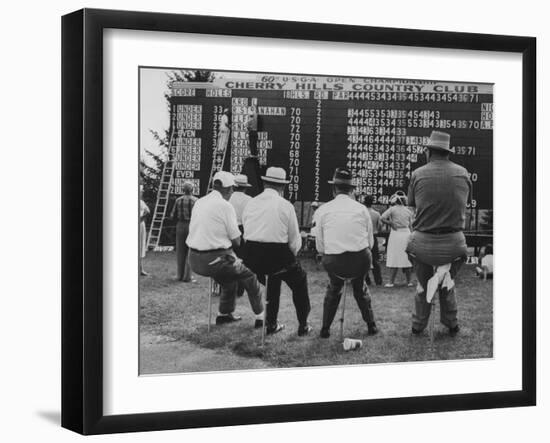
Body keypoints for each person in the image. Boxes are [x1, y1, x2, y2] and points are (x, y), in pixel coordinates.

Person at [406, 130, 472, 336]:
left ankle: (418, 325)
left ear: (429, 152)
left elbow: (412, 205)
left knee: (424, 285)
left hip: (422, 244)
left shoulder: (418, 174)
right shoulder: (463, 173)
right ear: (448, 153)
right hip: (454, 244)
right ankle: (452, 323)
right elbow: (465, 204)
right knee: (446, 283)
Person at [186, 171, 264, 327]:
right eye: (232, 189)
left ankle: (224, 314)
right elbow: (236, 241)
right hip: (215, 260)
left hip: (193, 259)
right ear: (228, 189)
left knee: (229, 280)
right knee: (250, 275)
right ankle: (261, 316)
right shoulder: (225, 205)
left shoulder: (200, 202)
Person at [242, 167, 312, 336]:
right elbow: (295, 241)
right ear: (282, 187)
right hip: (277, 256)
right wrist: (290, 258)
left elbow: (246, 232)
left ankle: (271, 324)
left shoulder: (250, 203)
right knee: (299, 280)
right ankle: (303, 325)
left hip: (252, 258)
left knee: (273, 279)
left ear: (265, 183)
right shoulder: (285, 206)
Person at [315, 168, 378, 338]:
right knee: (360, 288)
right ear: (352, 190)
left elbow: (320, 246)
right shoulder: (362, 209)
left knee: (334, 288)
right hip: (360, 259)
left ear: (334, 188)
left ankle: (325, 328)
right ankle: (371, 324)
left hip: (334, 261)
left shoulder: (323, 210)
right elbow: (370, 242)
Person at [380, 191, 414, 287]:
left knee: (394, 256)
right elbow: (411, 226)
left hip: (396, 234)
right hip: (406, 234)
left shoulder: (392, 209)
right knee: (407, 257)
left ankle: (391, 282)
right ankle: (409, 282)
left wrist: (390, 223)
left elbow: (382, 218)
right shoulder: (408, 211)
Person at [229, 174, 253, 296]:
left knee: (228, 258)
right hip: (244, 229)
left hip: (230, 229)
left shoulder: (228, 198)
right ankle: (240, 289)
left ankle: (228, 286)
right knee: (242, 259)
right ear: (245, 187)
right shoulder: (249, 200)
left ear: (234, 186)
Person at [170, 181, 197, 282]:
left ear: (183, 190)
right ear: (192, 190)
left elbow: (172, 214)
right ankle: (187, 276)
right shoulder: (196, 201)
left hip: (180, 225)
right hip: (191, 225)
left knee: (180, 251)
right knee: (190, 251)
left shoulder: (178, 200)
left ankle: (179, 275)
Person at [363, 195, 383, 286]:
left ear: (364, 202)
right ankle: (378, 280)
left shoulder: (362, 212)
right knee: (375, 259)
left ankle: (366, 280)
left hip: (363, 237)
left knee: (363, 259)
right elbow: (380, 226)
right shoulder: (376, 214)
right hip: (373, 236)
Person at [139, 185, 150, 276]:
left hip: (140, 224)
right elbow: (148, 212)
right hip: (140, 224)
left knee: (140, 244)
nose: (142, 193)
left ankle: (140, 268)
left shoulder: (141, 202)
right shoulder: (140, 202)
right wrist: (142, 218)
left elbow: (148, 211)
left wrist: (142, 218)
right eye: (141, 191)